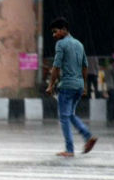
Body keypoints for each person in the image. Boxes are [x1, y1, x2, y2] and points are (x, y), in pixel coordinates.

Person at [46, 17, 97, 157]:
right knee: (70, 115)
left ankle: (69, 149)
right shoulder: (79, 44)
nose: (54, 35)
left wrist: (50, 85)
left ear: (63, 30)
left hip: (67, 86)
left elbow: (56, 67)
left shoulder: (61, 44)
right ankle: (87, 136)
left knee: (64, 117)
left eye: (55, 31)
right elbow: (85, 67)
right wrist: (84, 86)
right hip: (78, 86)